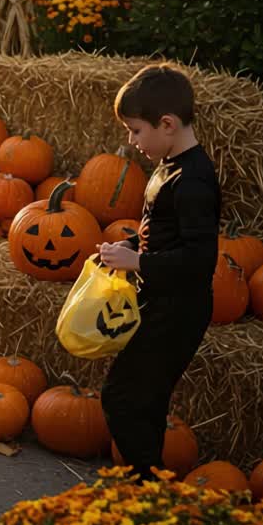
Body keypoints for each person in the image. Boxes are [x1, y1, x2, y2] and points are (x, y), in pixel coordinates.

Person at [98, 64, 220, 481]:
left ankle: (146, 485)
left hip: (180, 310)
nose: (131, 142)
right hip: (158, 301)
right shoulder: (167, 165)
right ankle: (145, 487)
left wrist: (139, 263)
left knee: (123, 397)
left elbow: (200, 258)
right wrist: (129, 247)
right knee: (142, 400)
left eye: (135, 131)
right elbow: (161, 234)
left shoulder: (194, 180)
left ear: (166, 124)